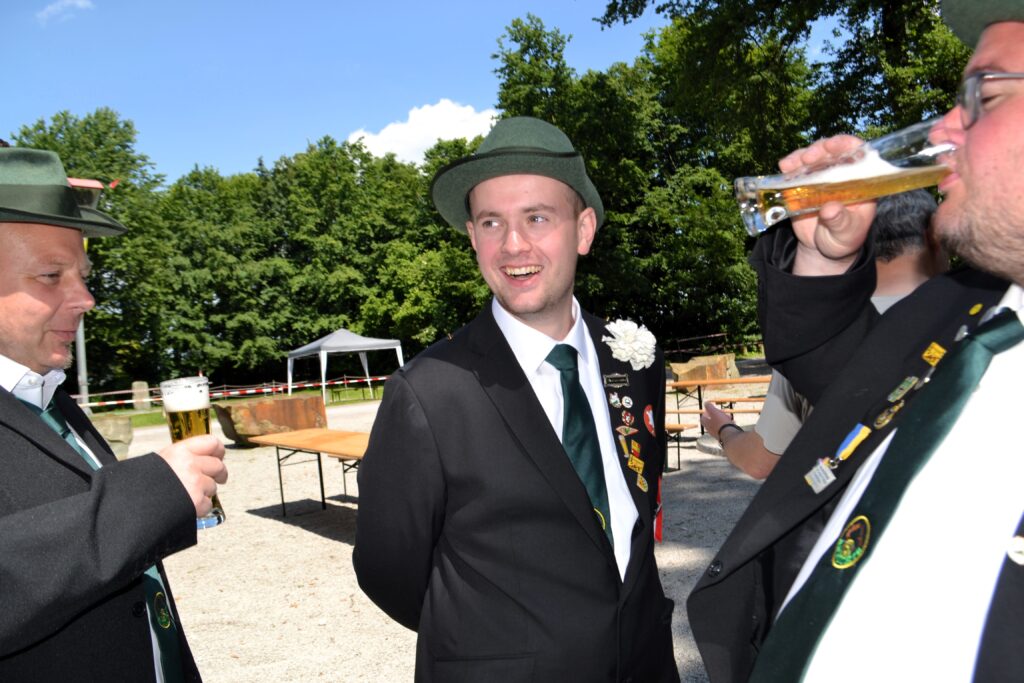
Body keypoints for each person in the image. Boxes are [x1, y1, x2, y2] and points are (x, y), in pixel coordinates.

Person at [687, 1, 1024, 681]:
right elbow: (845, 380)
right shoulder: (971, 309)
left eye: (983, 96)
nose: (943, 127)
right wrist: (826, 256)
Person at [353, 117, 678, 682]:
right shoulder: (428, 392)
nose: (513, 244)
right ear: (473, 237)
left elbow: (638, 510)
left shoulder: (634, 361)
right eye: (491, 222)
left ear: (583, 230)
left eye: (537, 217)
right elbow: (388, 571)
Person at [0, 147, 227, 681]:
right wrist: (151, 495)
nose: (86, 299)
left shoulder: (49, 396)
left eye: (82, 275)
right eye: (51, 275)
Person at [701, 190, 943, 480]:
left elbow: (759, 462)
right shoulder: (976, 317)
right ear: (934, 236)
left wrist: (724, 430)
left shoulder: (818, 339)